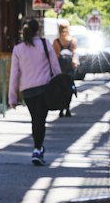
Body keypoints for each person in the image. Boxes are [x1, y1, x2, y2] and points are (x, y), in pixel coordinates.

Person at [8, 18, 62, 166]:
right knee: (40, 120)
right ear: (38, 30)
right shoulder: (45, 45)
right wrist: (60, 86)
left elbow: (14, 74)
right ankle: (37, 149)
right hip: (45, 88)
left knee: (35, 119)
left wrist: (12, 97)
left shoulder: (18, 49)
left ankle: (38, 148)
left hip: (27, 91)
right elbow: (55, 68)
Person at [52, 20, 79, 117]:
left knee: (60, 88)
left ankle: (61, 109)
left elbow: (55, 56)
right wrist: (75, 62)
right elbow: (74, 53)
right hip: (69, 68)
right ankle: (67, 108)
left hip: (60, 68)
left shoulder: (56, 41)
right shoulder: (73, 40)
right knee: (69, 88)